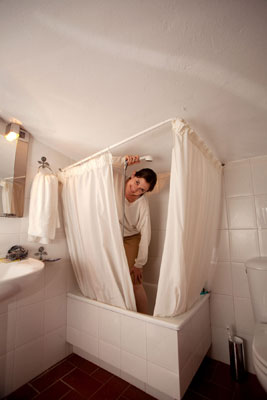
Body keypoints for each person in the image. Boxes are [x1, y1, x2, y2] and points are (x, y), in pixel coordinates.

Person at [112, 155, 157, 314]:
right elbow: (102, 165)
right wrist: (121, 160)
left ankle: (144, 319)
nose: (135, 189)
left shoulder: (142, 204)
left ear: (146, 192)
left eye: (142, 189)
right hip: (112, 236)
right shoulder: (116, 182)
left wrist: (139, 264)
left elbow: (146, 234)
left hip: (131, 237)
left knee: (135, 281)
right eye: (137, 182)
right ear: (133, 174)